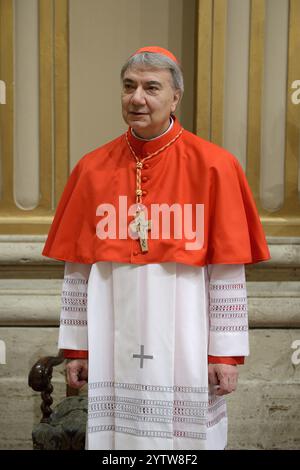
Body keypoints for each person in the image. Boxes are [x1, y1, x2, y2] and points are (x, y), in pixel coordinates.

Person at [42, 46, 270, 450]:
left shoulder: (215, 166)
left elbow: (227, 271)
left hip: (189, 334)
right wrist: (77, 348)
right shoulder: (92, 168)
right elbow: (77, 269)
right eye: (129, 87)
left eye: (151, 87)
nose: (137, 98)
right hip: (114, 335)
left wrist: (225, 356)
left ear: (175, 97)